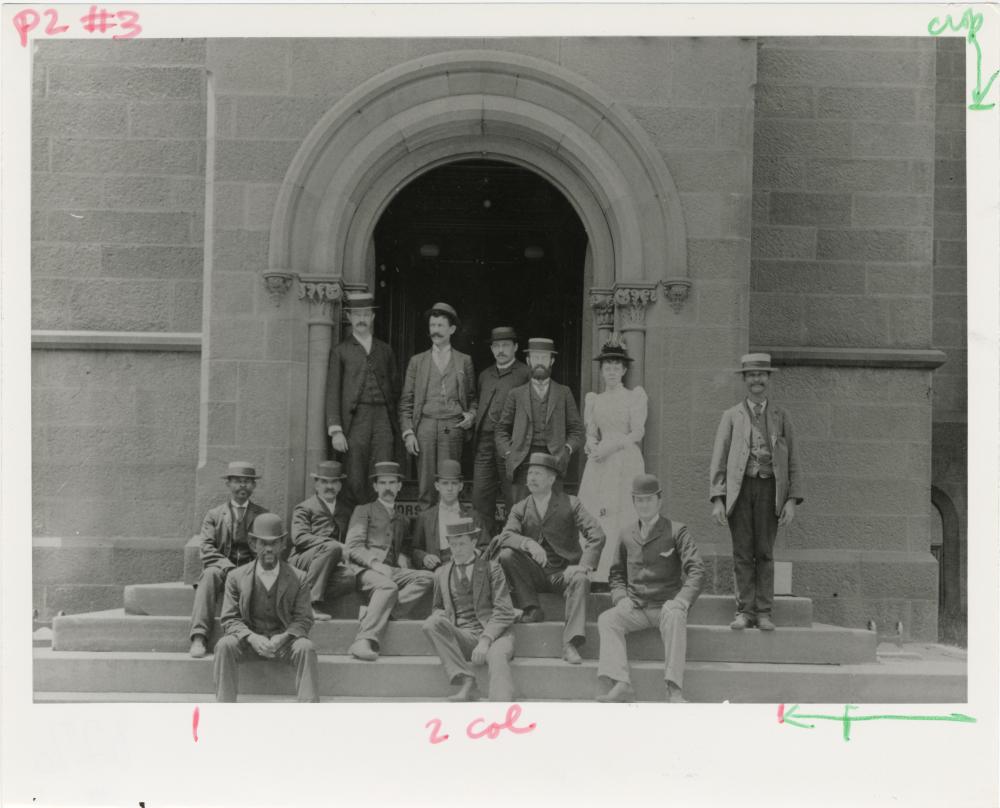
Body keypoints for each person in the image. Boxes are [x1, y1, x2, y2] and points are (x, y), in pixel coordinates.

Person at [709, 353, 804, 632]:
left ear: (768, 379)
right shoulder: (731, 416)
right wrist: (718, 499)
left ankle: (763, 612)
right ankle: (744, 612)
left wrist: (791, 501)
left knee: (764, 552)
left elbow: (794, 459)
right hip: (740, 491)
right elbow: (719, 458)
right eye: (751, 375)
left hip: (770, 490)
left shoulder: (781, 416)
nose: (757, 380)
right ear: (744, 380)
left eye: (761, 375)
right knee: (742, 552)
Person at [596, 474, 705, 703]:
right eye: (639, 500)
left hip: (666, 607)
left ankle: (674, 689)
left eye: (649, 499)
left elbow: (697, 569)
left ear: (659, 501)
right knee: (607, 619)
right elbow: (616, 574)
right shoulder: (626, 533)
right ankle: (621, 683)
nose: (644, 505)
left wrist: (681, 600)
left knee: (676, 616)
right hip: (635, 607)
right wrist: (620, 598)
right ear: (633, 502)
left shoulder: (676, 531)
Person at [492, 453, 605, 665]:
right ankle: (532, 608)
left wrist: (582, 567)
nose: (532, 478)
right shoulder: (521, 507)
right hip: (533, 573)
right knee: (507, 555)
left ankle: (570, 644)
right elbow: (506, 536)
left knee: (582, 580)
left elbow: (597, 534)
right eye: (530, 473)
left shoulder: (571, 503)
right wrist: (529, 543)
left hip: (563, 573)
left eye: (538, 473)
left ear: (551, 479)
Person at [213, 513, 320, 702]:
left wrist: (284, 637)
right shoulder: (236, 577)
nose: (269, 549)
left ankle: (308, 711)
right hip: (249, 642)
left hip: (284, 642)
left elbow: (304, 618)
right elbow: (229, 619)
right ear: (253, 544)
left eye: (274, 543)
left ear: (283, 544)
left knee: (306, 647)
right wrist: (252, 637)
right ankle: (224, 708)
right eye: (263, 543)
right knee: (224, 645)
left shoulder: (299, 577)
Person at [345, 461, 435, 661]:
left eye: (392, 483)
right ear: (375, 486)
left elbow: (406, 546)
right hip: (365, 571)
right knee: (387, 588)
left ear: (399, 486)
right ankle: (363, 639)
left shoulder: (402, 518)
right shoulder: (364, 510)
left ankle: (375, 613)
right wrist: (376, 564)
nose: (387, 487)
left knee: (428, 578)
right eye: (383, 483)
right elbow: (353, 546)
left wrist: (403, 554)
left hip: (392, 571)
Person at [577, 334, 648, 581]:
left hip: (624, 457)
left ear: (624, 369)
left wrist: (612, 446)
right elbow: (590, 432)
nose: (611, 371)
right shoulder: (594, 399)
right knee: (599, 510)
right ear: (601, 370)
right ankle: (598, 568)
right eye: (607, 366)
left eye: (616, 366)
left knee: (623, 511)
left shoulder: (634, 396)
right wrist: (591, 444)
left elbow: (638, 432)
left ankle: (621, 571)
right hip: (600, 462)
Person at [422, 519, 517, 702]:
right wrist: (440, 615)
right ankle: (467, 681)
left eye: (462, 543)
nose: (457, 549)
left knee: (497, 657)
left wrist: (485, 640)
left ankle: (501, 710)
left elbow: (505, 611)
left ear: (473, 542)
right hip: (462, 635)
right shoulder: (441, 573)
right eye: (453, 544)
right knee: (431, 623)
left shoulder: (492, 568)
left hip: (495, 635)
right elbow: (437, 607)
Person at [326, 291, 401, 507]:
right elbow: (333, 391)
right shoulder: (340, 351)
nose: (361, 319)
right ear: (349, 317)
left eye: (366, 314)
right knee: (355, 477)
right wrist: (336, 429)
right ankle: (357, 529)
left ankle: (380, 526)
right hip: (355, 421)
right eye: (356, 314)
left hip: (383, 420)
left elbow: (395, 389)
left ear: (373, 317)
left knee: (383, 472)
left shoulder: (385, 350)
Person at [399, 302, 478, 507]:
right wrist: (408, 433)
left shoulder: (464, 361)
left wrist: (471, 415)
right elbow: (406, 401)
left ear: (452, 329)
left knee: (449, 484)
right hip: (424, 427)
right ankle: (426, 537)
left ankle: (448, 536)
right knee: (426, 486)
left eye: (440, 326)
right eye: (432, 325)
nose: (435, 330)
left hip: (452, 428)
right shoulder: (417, 361)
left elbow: (473, 398)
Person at [189, 461, 268, 658]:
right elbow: (206, 548)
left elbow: (268, 547)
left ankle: (250, 639)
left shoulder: (262, 515)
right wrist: (227, 566)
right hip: (222, 568)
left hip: (251, 569)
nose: (243, 486)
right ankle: (199, 636)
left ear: (253, 486)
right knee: (207, 576)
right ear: (228, 484)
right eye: (238, 481)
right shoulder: (215, 515)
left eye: (247, 482)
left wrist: (249, 569)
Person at [494, 338, 585, 504]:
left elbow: (577, 430)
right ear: (529, 361)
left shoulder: (563, 393)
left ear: (552, 360)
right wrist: (509, 453)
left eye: (544, 358)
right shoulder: (516, 394)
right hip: (522, 460)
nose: (540, 363)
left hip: (553, 460)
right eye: (536, 358)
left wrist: (566, 450)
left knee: (551, 511)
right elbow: (501, 430)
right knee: (520, 511)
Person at [472, 326, 531, 533]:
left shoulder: (525, 373)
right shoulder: (485, 375)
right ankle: (483, 545)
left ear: (515, 347)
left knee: (512, 496)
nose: (501, 350)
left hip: (510, 444)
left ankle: (510, 544)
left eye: (505, 345)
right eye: (496, 346)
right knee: (480, 496)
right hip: (485, 444)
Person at [288, 460, 356, 621]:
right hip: (302, 560)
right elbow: (299, 537)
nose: (329, 487)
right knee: (332, 547)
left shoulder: (346, 510)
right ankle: (309, 604)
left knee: (349, 578)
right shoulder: (304, 508)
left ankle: (299, 597)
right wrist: (334, 545)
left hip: (329, 565)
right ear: (316, 484)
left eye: (334, 482)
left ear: (340, 485)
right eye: (324, 482)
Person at [410, 459, 491, 571]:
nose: (449, 488)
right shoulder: (425, 517)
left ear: (461, 486)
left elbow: (486, 547)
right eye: (445, 483)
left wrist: (469, 555)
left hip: (464, 570)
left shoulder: (473, 516)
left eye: (454, 483)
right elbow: (415, 549)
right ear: (437, 486)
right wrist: (424, 557)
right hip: (434, 572)